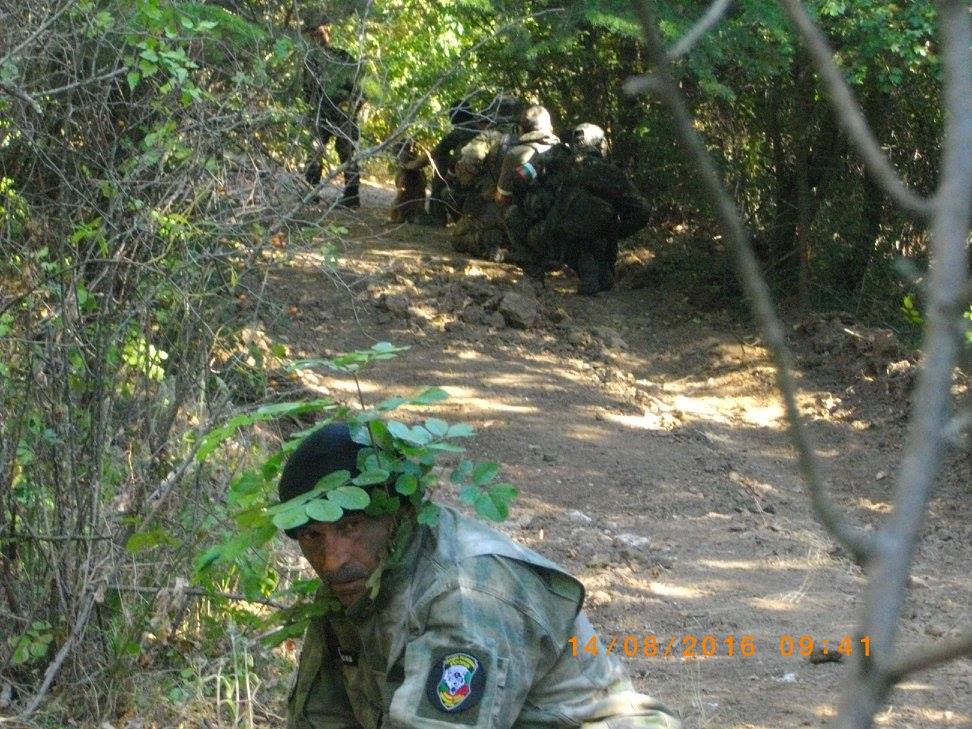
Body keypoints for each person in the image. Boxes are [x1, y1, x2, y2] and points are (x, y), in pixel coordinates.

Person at [280, 422, 681, 729]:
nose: (332, 560)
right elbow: (321, 718)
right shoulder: (356, 583)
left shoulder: (469, 592)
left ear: (398, 511)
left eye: (350, 527)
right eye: (313, 536)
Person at [301, 12, 362, 208]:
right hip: (320, 113)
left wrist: (351, 110)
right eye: (312, 35)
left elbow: (361, 89)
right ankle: (311, 192)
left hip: (343, 114)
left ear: (327, 33)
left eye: (319, 34)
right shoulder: (310, 60)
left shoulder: (343, 58)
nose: (315, 38)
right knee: (314, 150)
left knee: (347, 152)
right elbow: (306, 89)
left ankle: (352, 196)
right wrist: (311, 110)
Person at [494, 105, 561, 278]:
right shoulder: (566, 150)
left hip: (539, 225)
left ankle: (529, 259)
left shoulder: (516, 153)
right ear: (551, 128)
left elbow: (502, 198)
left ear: (522, 129)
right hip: (568, 221)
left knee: (511, 213)